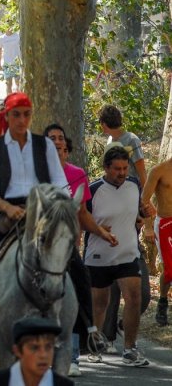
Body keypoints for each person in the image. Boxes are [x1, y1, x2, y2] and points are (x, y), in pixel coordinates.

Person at [0, 92, 68, 351]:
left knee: (72, 261)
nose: (22, 120)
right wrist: (7, 207)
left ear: (32, 116)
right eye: (16, 114)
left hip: (41, 211)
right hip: (3, 212)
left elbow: (60, 183)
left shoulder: (44, 146)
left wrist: (49, 205)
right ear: (6, 116)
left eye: (26, 114)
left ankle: (88, 328)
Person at [44, 123, 112, 376]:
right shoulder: (34, 174)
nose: (58, 142)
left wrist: (101, 232)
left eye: (61, 139)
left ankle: (84, 342)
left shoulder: (77, 174)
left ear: (66, 148)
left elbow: (82, 214)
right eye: (52, 139)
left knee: (81, 281)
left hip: (66, 246)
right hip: (39, 245)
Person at [86, 144, 152, 367]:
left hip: (128, 253)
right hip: (98, 255)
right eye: (117, 169)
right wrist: (100, 231)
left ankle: (130, 349)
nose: (122, 173)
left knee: (135, 298)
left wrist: (144, 213)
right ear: (106, 168)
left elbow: (138, 210)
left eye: (125, 168)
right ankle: (95, 345)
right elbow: (81, 220)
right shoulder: (93, 189)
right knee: (99, 304)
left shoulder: (134, 184)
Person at [98, 104, 151, 349]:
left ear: (104, 124)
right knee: (112, 280)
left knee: (134, 280)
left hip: (132, 205)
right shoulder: (111, 140)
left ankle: (123, 324)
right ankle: (107, 335)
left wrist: (142, 202)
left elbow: (142, 173)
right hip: (114, 207)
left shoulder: (132, 140)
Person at [0, 317, 74, 386]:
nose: (43, 355)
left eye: (48, 347)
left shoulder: (64, 384)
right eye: (34, 348)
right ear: (17, 350)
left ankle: (89, 328)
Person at [142, 155, 172, 326]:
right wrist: (147, 226)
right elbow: (144, 200)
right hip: (165, 223)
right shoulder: (159, 170)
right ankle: (162, 301)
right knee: (169, 267)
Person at [0, 29, 21, 95]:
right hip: (7, 64)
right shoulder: (1, 38)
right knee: (8, 84)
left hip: (17, 63)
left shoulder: (18, 36)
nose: (9, 28)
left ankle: (18, 101)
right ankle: (10, 102)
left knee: (18, 83)